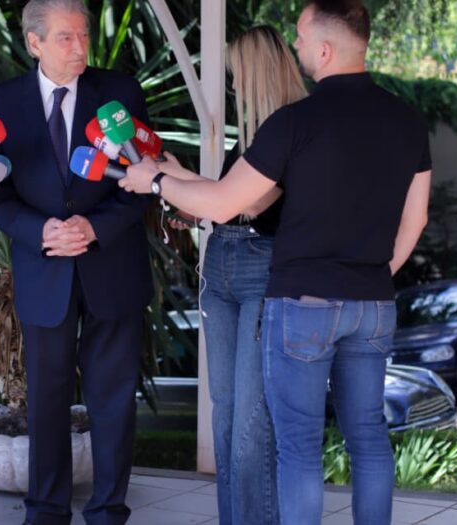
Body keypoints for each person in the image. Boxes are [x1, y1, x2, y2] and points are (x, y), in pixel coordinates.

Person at [119, 1, 432, 524]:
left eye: (302, 37)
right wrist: (375, 275)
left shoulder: (294, 122)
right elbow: (416, 219)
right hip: (374, 305)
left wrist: (154, 181)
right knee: (369, 439)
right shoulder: (408, 120)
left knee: (299, 449)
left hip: (302, 304)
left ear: (325, 50)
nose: (297, 46)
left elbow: (225, 204)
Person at [0, 1, 152, 523]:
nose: (80, 48)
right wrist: (41, 231)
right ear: (35, 43)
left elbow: (145, 180)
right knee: (46, 400)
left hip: (112, 265)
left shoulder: (120, 95)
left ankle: (108, 512)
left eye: (83, 36)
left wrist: (95, 227)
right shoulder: (1, 104)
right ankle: (46, 512)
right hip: (43, 268)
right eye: (65, 38)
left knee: (113, 400)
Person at [162, 25, 307, 525]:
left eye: (236, 73)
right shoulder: (250, 134)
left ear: (256, 71)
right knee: (225, 414)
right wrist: (186, 191)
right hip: (221, 260)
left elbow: (248, 203)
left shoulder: (291, 129)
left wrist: (170, 180)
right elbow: (225, 202)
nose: (232, 83)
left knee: (250, 420)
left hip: (263, 267)